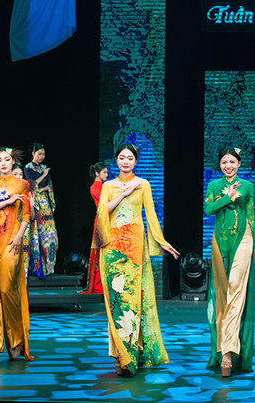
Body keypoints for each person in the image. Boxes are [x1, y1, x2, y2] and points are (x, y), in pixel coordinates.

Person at [93, 144, 179, 376]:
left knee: (134, 301)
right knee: (117, 302)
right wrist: (123, 193)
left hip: (134, 249)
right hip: (113, 249)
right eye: (122, 157)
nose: (125, 161)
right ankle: (120, 355)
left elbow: (150, 215)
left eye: (130, 158)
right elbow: (102, 212)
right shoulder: (108, 186)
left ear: (136, 161)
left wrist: (161, 241)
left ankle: (133, 355)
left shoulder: (143, 184)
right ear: (116, 160)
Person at [204, 147, 255, 377]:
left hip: (244, 238)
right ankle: (221, 348)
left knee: (236, 290)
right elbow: (208, 209)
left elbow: (251, 216)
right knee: (222, 293)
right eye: (224, 162)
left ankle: (228, 352)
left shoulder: (247, 186)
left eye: (232, 162)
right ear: (220, 165)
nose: (228, 166)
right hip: (220, 240)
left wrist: (254, 245)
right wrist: (228, 197)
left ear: (239, 164)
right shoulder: (213, 186)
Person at [0, 147, 33, 366]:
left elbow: (27, 215)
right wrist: (7, 202)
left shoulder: (23, 185)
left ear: (12, 162)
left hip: (12, 237)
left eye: (6, 159)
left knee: (7, 289)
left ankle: (15, 340)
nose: (3, 163)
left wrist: (19, 236)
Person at [23, 143, 58, 278]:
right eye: (39, 154)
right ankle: (38, 267)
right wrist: (43, 175)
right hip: (35, 204)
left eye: (43, 154)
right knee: (38, 234)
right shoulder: (27, 168)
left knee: (50, 235)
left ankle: (49, 267)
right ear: (33, 153)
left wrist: (43, 187)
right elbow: (31, 185)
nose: (42, 157)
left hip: (45, 204)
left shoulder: (44, 168)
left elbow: (49, 186)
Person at [81, 162, 107, 294]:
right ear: (97, 173)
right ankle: (98, 284)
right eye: (104, 172)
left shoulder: (105, 186)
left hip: (108, 219)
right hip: (101, 220)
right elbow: (104, 203)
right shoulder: (94, 187)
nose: (107, 175)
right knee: (99, 252)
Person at [12, 164, 34, 280]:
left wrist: (31, 206)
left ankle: (23, 284)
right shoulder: (6, 191)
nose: (19, 176)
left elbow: (32, 217)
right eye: (15, 174)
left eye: (21, 174)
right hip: (11, 227)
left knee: (24, 258)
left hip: (25, 228)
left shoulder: (27, 192)